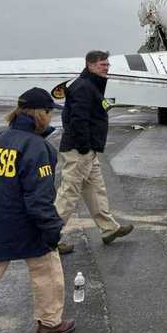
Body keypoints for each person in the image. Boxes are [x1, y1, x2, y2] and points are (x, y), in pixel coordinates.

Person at [0, 88, 74, 333]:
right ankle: (49, 322)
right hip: (26, 223)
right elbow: (39, 198)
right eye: (49, 112)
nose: (51, 117)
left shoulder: (1, 138)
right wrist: (52, 229)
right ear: (39, 114)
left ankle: (50, 322)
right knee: (48, 269)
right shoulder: (38, 147)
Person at [54, 50, 133, 254]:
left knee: (96, 189)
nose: (106, 68)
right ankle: (48, 237)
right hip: (80, 150)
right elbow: (76, 119)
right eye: (102, 65)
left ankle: (109, 229)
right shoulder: (83, 87)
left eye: (107, 64)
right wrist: (83, 146)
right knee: (69, 193)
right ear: (90, 65)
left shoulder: (90, 85)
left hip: (88, 149)